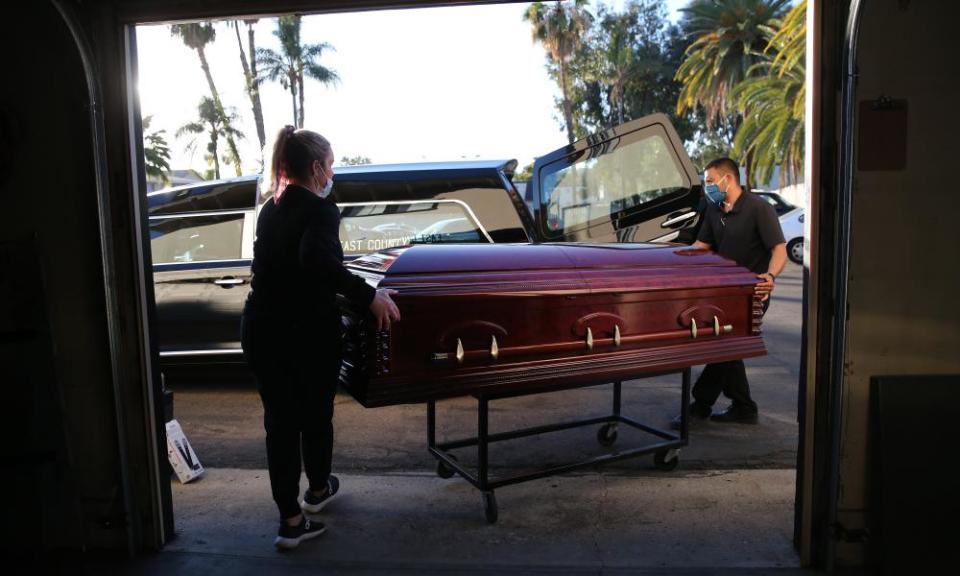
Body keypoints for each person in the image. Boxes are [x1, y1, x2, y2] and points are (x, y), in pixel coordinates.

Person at [241, 125, 401, 550]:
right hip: (303, 334)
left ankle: (290, 521)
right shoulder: (320, 209)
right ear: (315, 168)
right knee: (314, 415)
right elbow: (318, 261)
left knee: (279, 424)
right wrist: (370, 298)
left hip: (261, 327)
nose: (332, 173)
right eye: (330, 165)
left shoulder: (269, 210)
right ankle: (315, 491)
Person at [672, 157, 786, 429]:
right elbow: (703, 245)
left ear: (729, 179)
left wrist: (770, 276)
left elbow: (779, 250)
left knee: (724, 345)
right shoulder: (715, 210)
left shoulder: (759, 208)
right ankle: (744, 407)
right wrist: (671, 253)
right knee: (729, 346)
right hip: (722, 294)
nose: (707, 186)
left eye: (710, 181)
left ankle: (700, 405)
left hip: (752, 293)